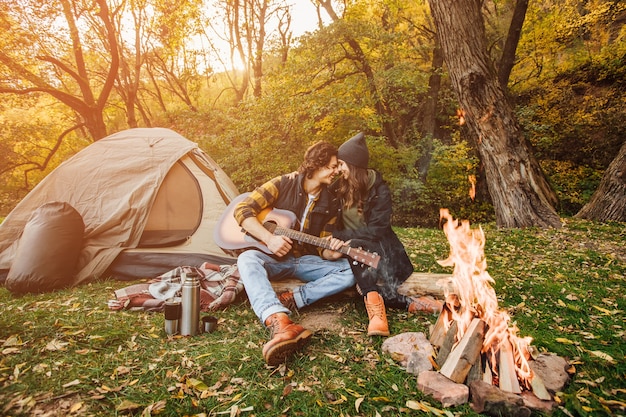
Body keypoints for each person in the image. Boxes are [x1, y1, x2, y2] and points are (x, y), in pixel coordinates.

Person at [234, 141, 355, 366]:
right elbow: (242, 210)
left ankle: (293, 299)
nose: (336, 171)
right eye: (331, 166)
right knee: (246, 259)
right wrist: (269, 238)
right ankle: (278, 320)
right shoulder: (282, 184)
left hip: (302, 260)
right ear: (315, 166)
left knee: (350, 270)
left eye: (337, 166)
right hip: (272, 258)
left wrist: (331, 253)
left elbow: (321, 247)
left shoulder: (331, 202)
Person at [330, 132, 442, 336]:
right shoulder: (337, 188)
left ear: (353, 164)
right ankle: (410, 304)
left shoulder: (379, 190)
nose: (338, 169)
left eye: (342, 164)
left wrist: (346, 238)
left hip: (380, 251)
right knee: (359, 264)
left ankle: (378, 312)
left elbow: (377, 230)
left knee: (356, 250)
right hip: (352, 253)